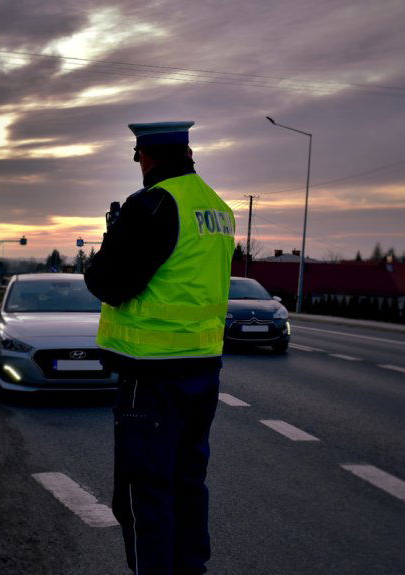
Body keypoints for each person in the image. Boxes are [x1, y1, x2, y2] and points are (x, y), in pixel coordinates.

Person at [84, 121, 235, 575]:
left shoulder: (151, 205)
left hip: (151, 375)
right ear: (187, 154)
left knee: (143, 493)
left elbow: (108, 283)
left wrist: (113, 237)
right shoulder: (217, 208)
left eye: (138, 157)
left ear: (147, 157)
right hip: (203, 371)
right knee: (188, 484)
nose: (139, 166)